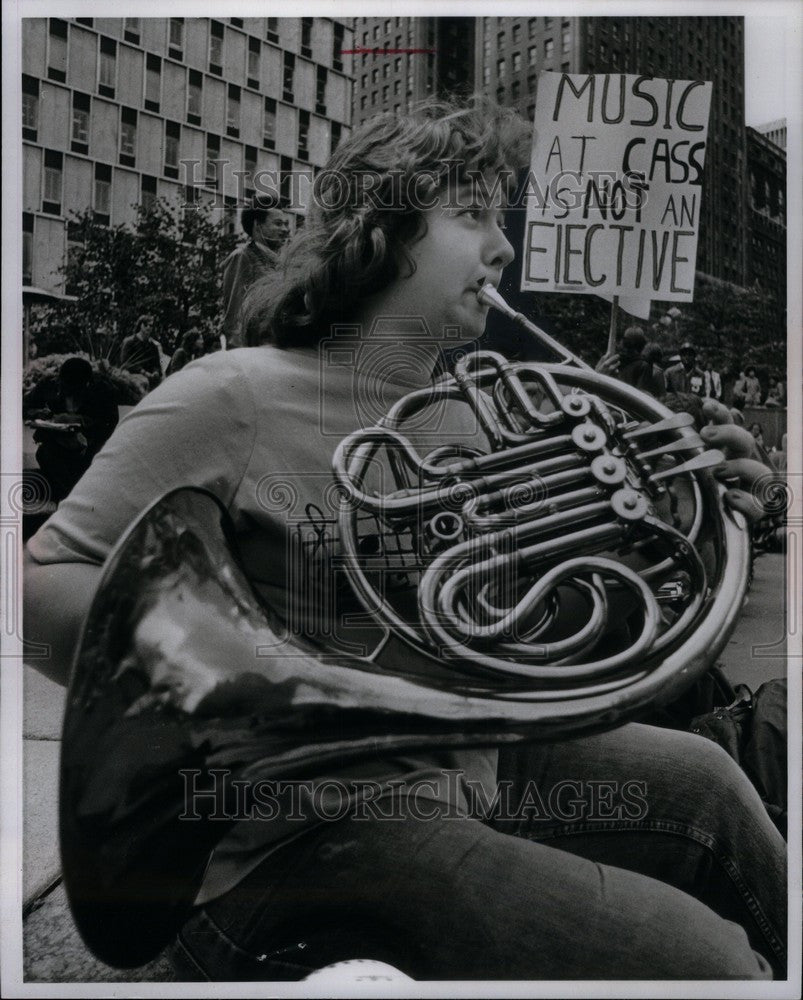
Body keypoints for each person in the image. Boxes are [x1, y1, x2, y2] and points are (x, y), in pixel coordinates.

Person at [23, 101, 786, 981]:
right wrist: (259, 651)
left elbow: (551, 625)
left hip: (467, 770)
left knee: (711, 783)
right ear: (378, 229)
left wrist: (680, 520)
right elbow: (39, 590)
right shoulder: (233, 394)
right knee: (711, 967)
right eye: (471, 216)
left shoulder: (467, 411)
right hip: (283, 834)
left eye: (500, 220)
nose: (501, 249)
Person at [23, 356, 118, 502]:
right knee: (44, 455)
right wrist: (37, 413)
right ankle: (71, 497)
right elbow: (25, 407)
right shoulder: (49, 385)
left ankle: (71, 494)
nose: (67, 394)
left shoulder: (102, 390)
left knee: (94, 467)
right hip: (56, 444)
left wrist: (84, 425)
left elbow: (110, 422)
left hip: (89, 446)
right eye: (64, 388)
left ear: (86, 385)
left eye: (72, 391)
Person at [221, 198, 290, 348]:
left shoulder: (283, 262)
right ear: (257, 226)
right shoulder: (242, 257)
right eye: (278, 224)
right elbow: (234, 320)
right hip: (254, 355)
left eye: (286, 224)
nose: (285, 229)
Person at [597, 326, 665, 396]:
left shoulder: (613, 361)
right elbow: (641, 395)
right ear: (642, 345)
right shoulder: (643, 365)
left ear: (623, 343)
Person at [120, 314, 163, 388]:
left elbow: (157, 364)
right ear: (140, 325)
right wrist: (143, 372)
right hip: (132, 374)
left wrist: (156, 372)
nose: (148, 327)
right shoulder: (129, 342)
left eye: (151, 326)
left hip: (150, 376)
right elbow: (125, 363)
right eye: (146, 324)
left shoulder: (153, 346)